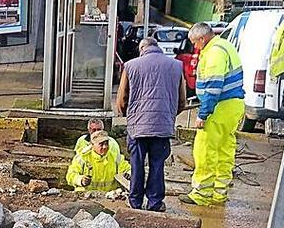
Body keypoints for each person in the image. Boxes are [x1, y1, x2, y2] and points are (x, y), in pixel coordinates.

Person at [115, 37, 187, 212]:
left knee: (137, 164)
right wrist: (168, 116)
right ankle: (155, 203)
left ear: (142, 49)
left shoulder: (131, 65)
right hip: (163, 127)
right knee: (157, 165)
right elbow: (182, 100)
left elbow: (122, 98)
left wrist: (128, 115)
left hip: (137, 126)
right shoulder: (176, 65)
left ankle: (135, 202)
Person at [179, 22, 245, 206]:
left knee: (205, 149)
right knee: (224, 149)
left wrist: (203, 114)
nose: (194, 46)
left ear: (202, 38)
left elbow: (214, 86)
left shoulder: (214, 52)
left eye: (194, 42)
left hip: (219, 107)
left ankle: (202, 193)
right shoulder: (225, 46)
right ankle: (219, 192)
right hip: (232, 105)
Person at [66, 130, 131, 192]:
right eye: (101, 144)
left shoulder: (115, 157)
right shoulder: (82, 157)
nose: (105, 147)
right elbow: (70, 175)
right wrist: (80, 180)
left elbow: (127, 169)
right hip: (86, 197)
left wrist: (129, 173)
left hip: (109, 196)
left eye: (106, 143)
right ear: (92, 145)